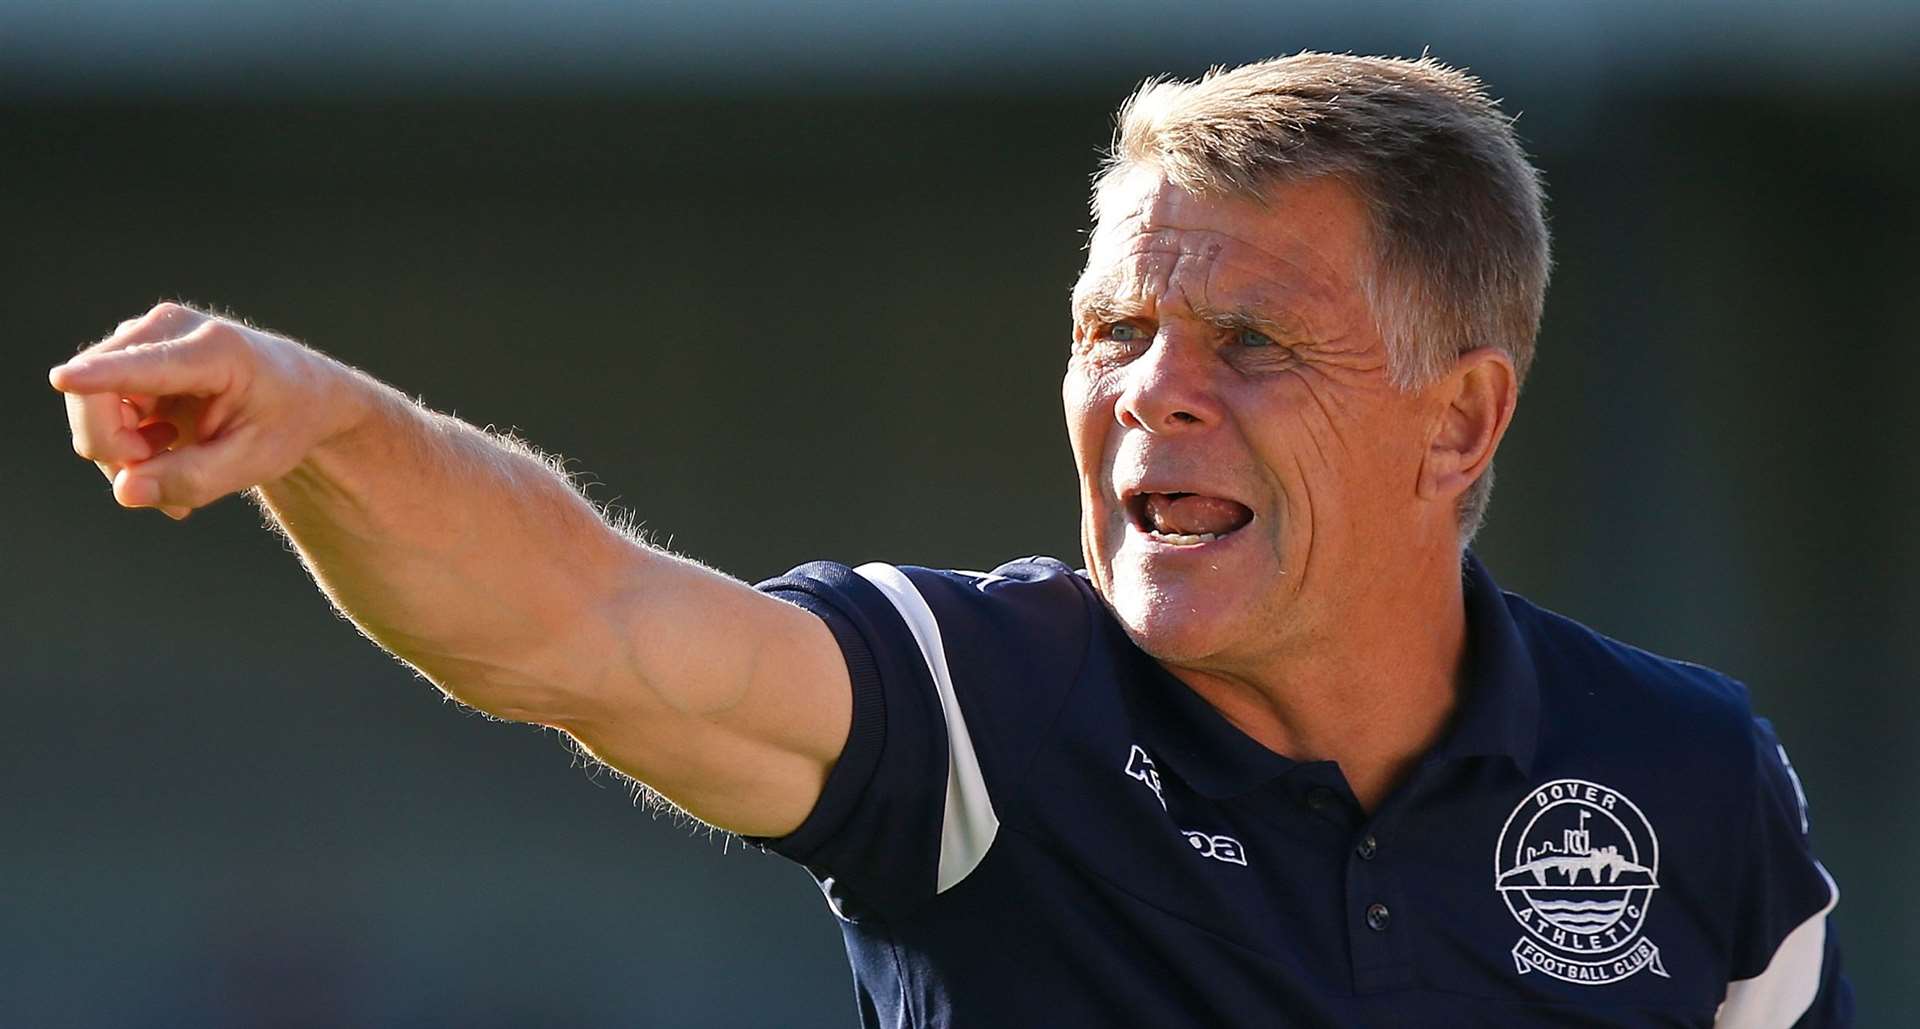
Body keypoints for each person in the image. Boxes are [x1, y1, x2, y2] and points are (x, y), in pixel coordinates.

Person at [49, 52, 1848, 1027]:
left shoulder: (1689, 776)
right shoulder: (987, 709)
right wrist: (331, 427)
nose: (1149, 392)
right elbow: (578, 618)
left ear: (1459, 422)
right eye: (1109, 332)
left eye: (1248, 343)